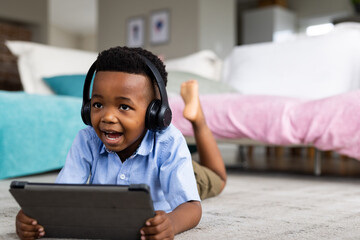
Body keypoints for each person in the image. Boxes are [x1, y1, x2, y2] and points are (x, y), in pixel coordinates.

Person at [15, 46, 226, 240]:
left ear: (155, 113)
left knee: (219, 179)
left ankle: (197, 118)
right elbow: (62, 197)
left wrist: (171, 222)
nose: (107, 117)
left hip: (175, 173)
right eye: (98, 104)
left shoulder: (168, 143)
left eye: (123, 107)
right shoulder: (87, 139)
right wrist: (32, 217)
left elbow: (191, 207)